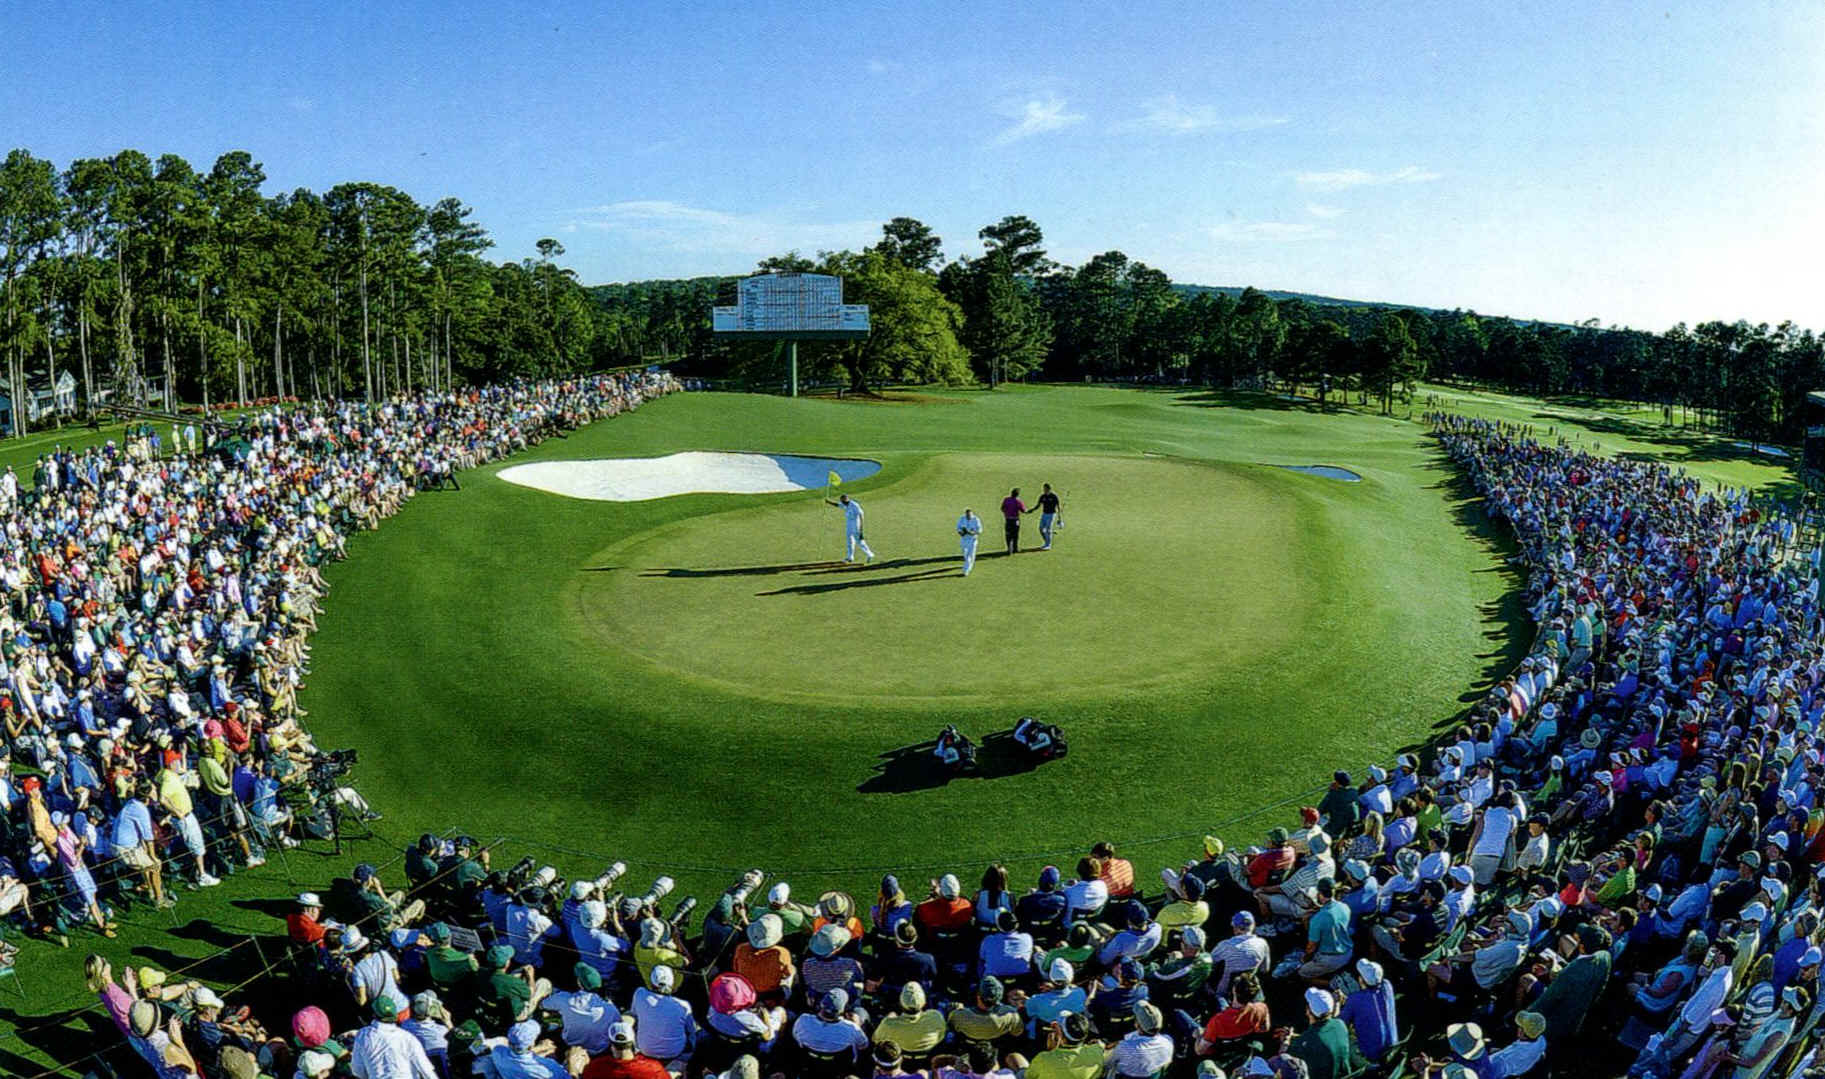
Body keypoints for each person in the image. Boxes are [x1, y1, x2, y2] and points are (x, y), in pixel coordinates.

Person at [825, 493, 875, 564]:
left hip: (856, 524)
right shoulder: (845, 504)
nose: (842, 503)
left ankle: (870, 554)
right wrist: (829, 502)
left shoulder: (854, 505)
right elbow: (838, 505)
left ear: (846, 499)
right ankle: (850, 557)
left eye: (843, 501)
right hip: (849, 525)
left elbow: (861, 515)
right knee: (849, 540)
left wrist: (861, 529)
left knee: (859, 541)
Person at [999, 488, 1028, 555]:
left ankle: (1009, 549)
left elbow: (1002, 508)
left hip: (1008, 519)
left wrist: (1006, 513)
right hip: (1015, 520)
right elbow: (1023, 510)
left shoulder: (1006, 500)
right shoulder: (1018, 501)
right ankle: (1015, 548)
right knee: (1015, 535)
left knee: (1008, 534)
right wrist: (1028, 511)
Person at [956, 509, 982, 576]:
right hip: (964, 539)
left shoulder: (976, 519)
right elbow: (958, 528)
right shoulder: (962, 519)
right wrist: (961, 532)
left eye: (969, 515)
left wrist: (972, 533)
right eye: (967, 515)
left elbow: (979, 530)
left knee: (970, 555)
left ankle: (966, 570)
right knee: (965, 554)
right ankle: (969, 564)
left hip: (972, 539)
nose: (968, 517)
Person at [1036, 484, 1061, 550]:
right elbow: (1038, 505)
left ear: (1049, 489)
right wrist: (1031, 510)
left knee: (1048, 529)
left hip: (1051, 514)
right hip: (1044, 514)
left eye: (1045, 489)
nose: (1044, 490)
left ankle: (1048, 545)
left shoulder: (1054, 496)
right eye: (1044, 489)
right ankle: (1046, 542)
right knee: (1041, 528)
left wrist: (1059, 518)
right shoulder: (1042, 496)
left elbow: (1058, 506)